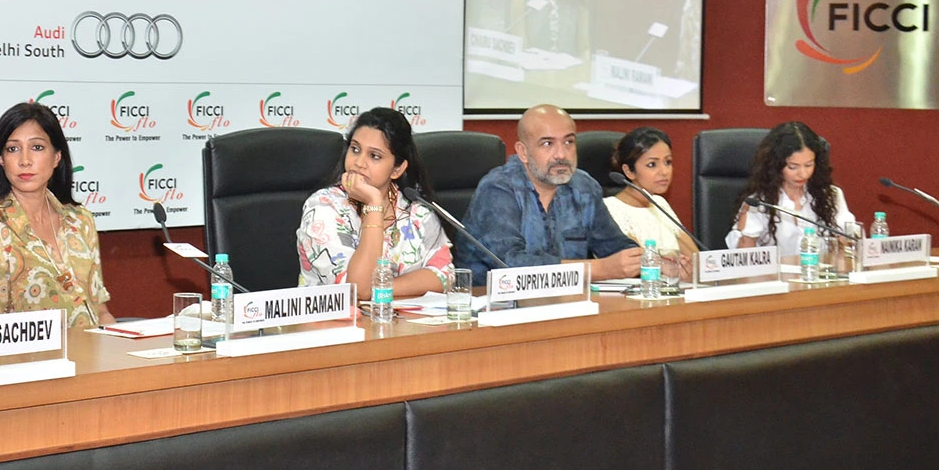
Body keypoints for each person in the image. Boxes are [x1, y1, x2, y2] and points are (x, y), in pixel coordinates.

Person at [0, 102, 115, 326]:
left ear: (56, 157)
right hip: (33, 350)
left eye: (37, 147)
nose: (25, 161)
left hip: (93, 346)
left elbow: (101, 312)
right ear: (1, 159)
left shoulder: (81, 220)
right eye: (12, 149)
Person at [460, 104, 639, 283]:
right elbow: (510, 265)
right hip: (488, 298)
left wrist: (641, 259)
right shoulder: (498, 189)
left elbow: (615, 247)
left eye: (568, 142)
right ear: (523, 152)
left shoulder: (584, 187)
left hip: (568, 298)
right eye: (547, 144)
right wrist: (599, 269)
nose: (561, 154)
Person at [296, 107, 454, 298]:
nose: (359, 162)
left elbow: (444, 275)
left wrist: (381, 287)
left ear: (397, 169)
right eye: (355, 149)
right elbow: (356, 289)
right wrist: (373, 204)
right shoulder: (323, 207)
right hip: (334, 317)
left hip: (399, 317)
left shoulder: (416, 212)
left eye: (374, 156)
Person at [728, 121, 854, 258]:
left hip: (820, 270)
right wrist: (745, 232)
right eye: (793, 167)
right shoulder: (759, 203)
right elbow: (745, 258)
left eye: (808, 165)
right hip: (775, 272)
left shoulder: (830, 196)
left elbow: (848, 244)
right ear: (776, 165)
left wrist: (846, 241)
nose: (803, 174)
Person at [602, 127, 696, 280]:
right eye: (652, 164)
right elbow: (638, 265)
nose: (664, 171)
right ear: (629, 171)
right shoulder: (610, 209)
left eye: (668, 162)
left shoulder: (660, 203)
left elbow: (695, 259)